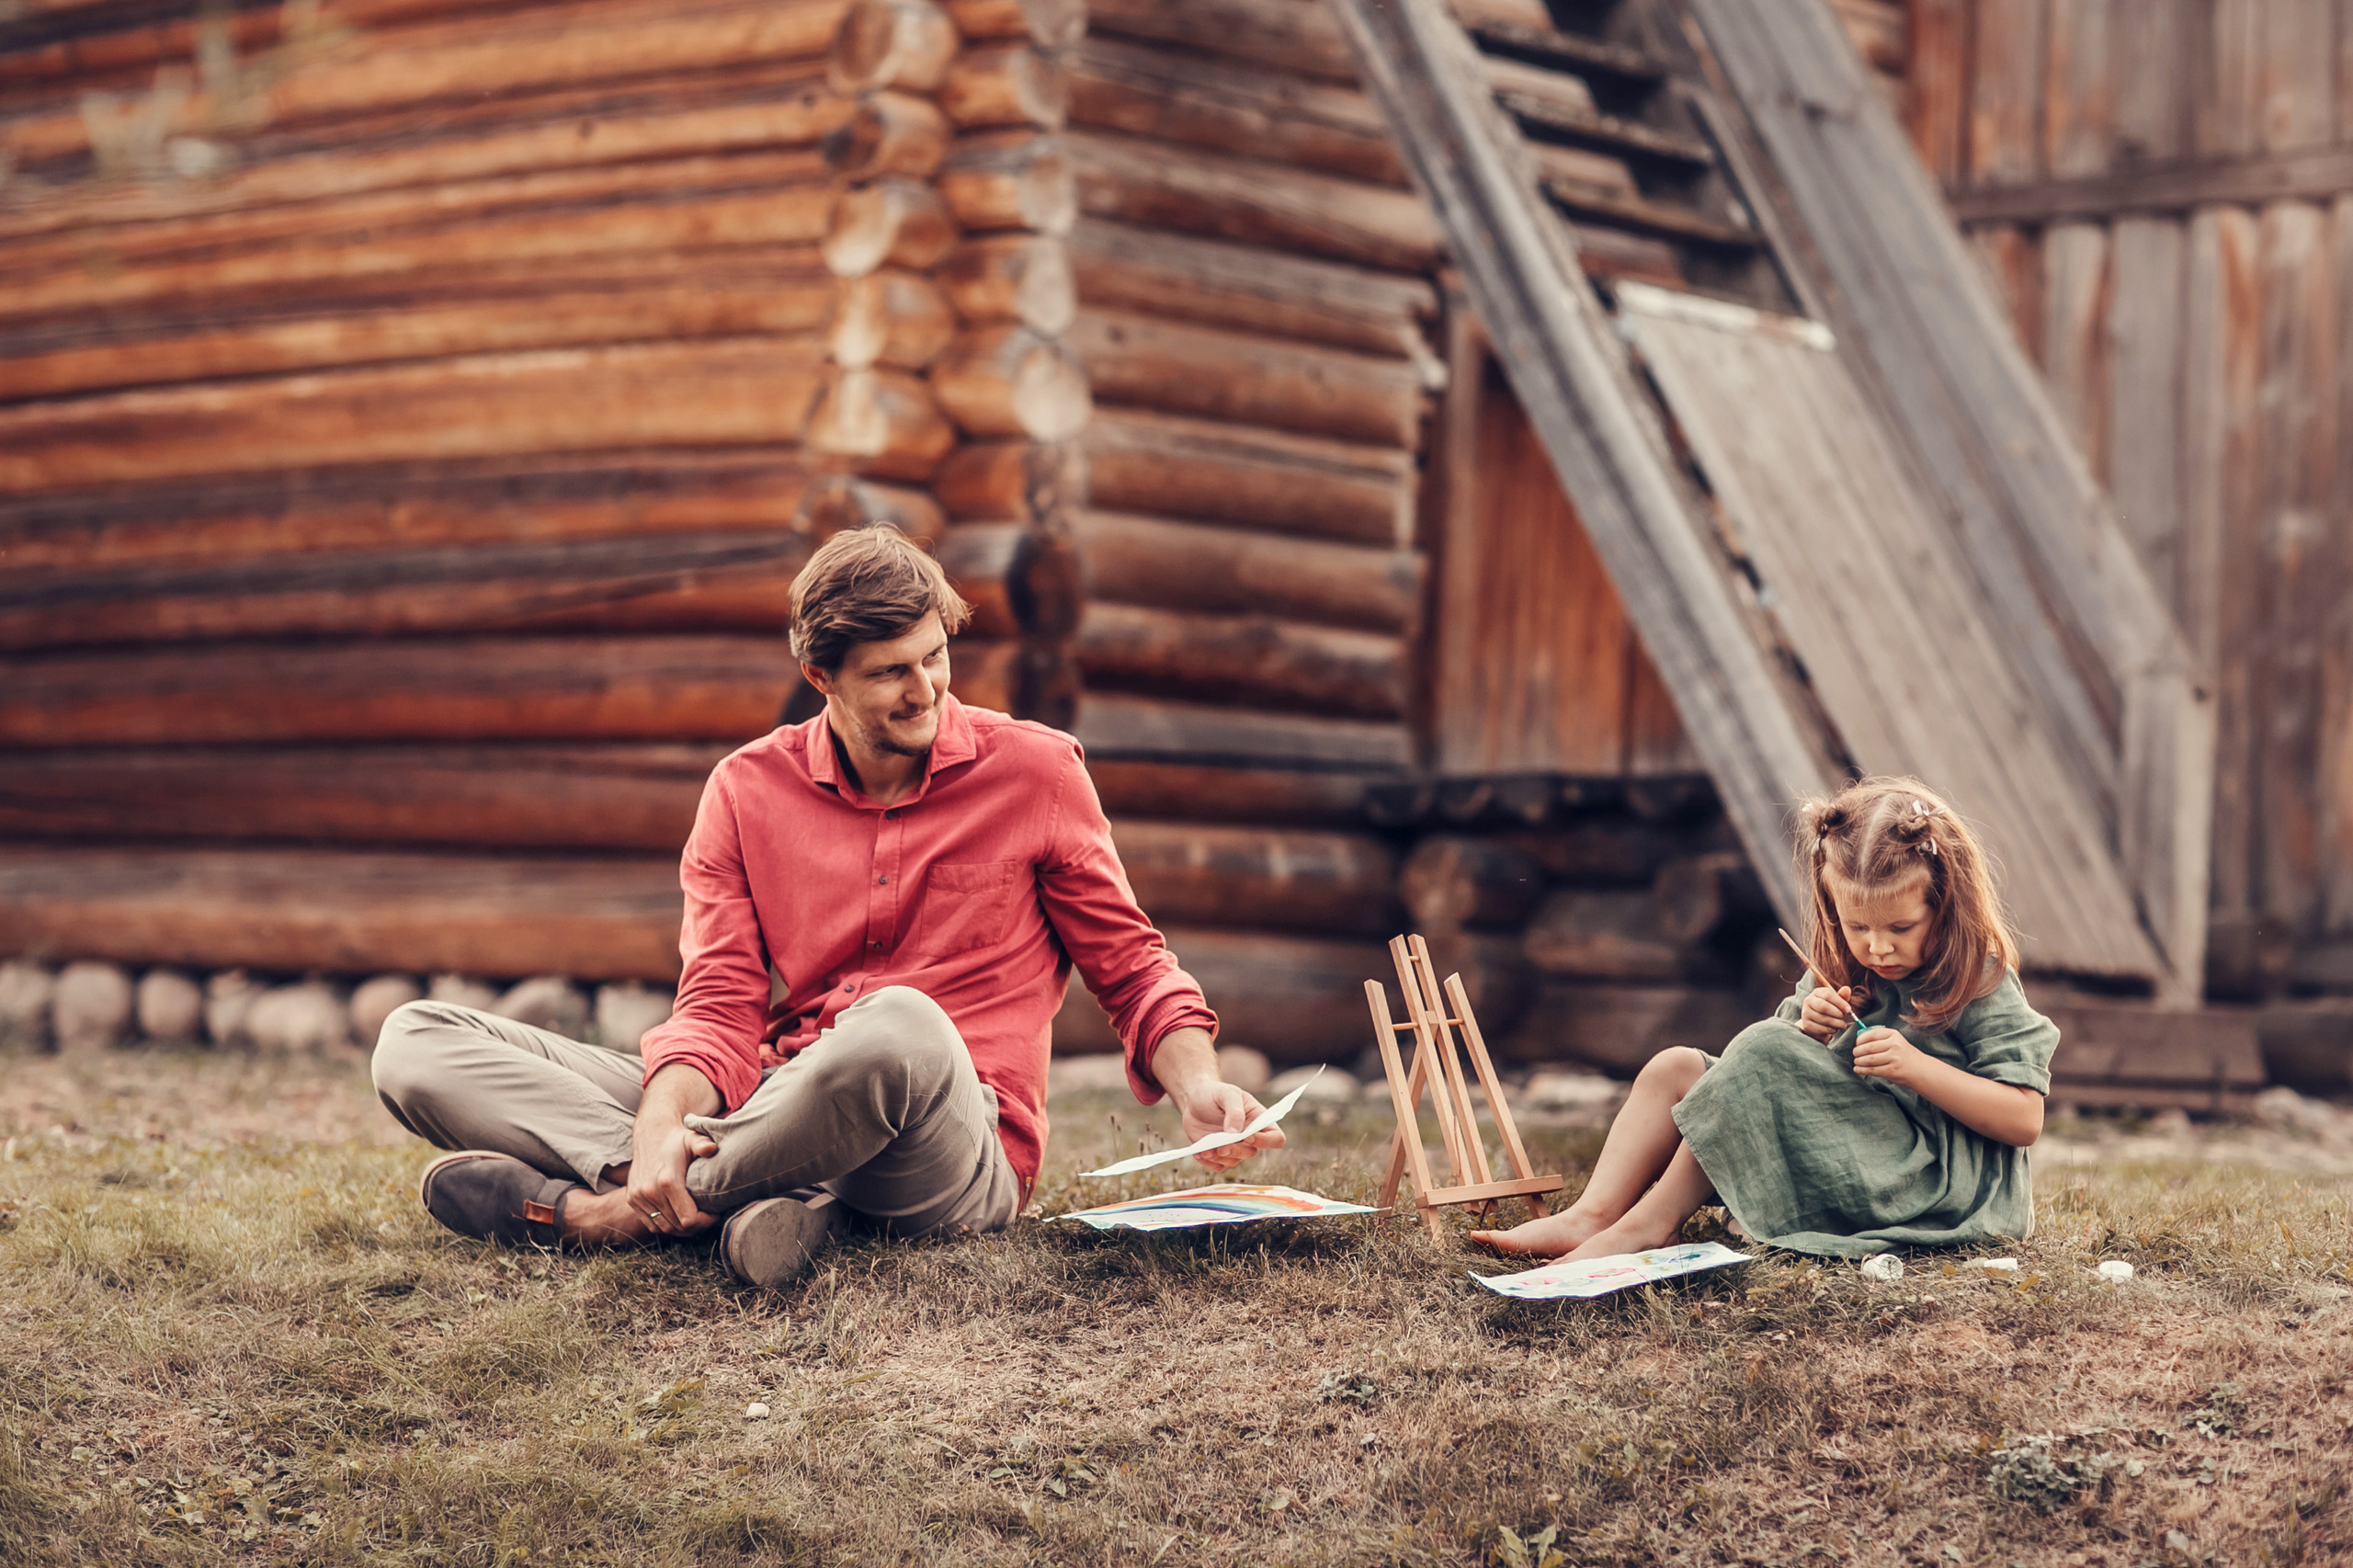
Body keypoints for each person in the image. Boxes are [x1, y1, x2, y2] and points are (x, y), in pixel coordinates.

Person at [371, 524, 1280, 1285]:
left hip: (953, 1142)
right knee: (413, 1041)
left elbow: (1132, 965)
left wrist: (1197, 1085)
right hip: (779, 1098)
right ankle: (743, 1200)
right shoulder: (744, 790)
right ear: (822, 677)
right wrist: (656, 1129)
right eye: (891, 672)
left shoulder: (1037, 771)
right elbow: (720, 1003)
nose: (925, 690)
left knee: (900, 1027)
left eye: (936, 657)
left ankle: (596, 1215)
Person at [1473, 777, 2057, 1263]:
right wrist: (1810, 1023)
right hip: (1858, 1148)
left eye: (1899, 928)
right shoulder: (1843, 966)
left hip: (1935, 1183)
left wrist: (1918, 1069)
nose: (1877, 947)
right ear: (1834, 905)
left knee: (1761, 1051)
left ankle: (1649, 1225)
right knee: (1675, 1067)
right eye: (1859, 927)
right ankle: (1594, 1214)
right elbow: (1776, 1057)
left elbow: (2025, 1119)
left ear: (1945, 903)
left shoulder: (1978, 978)